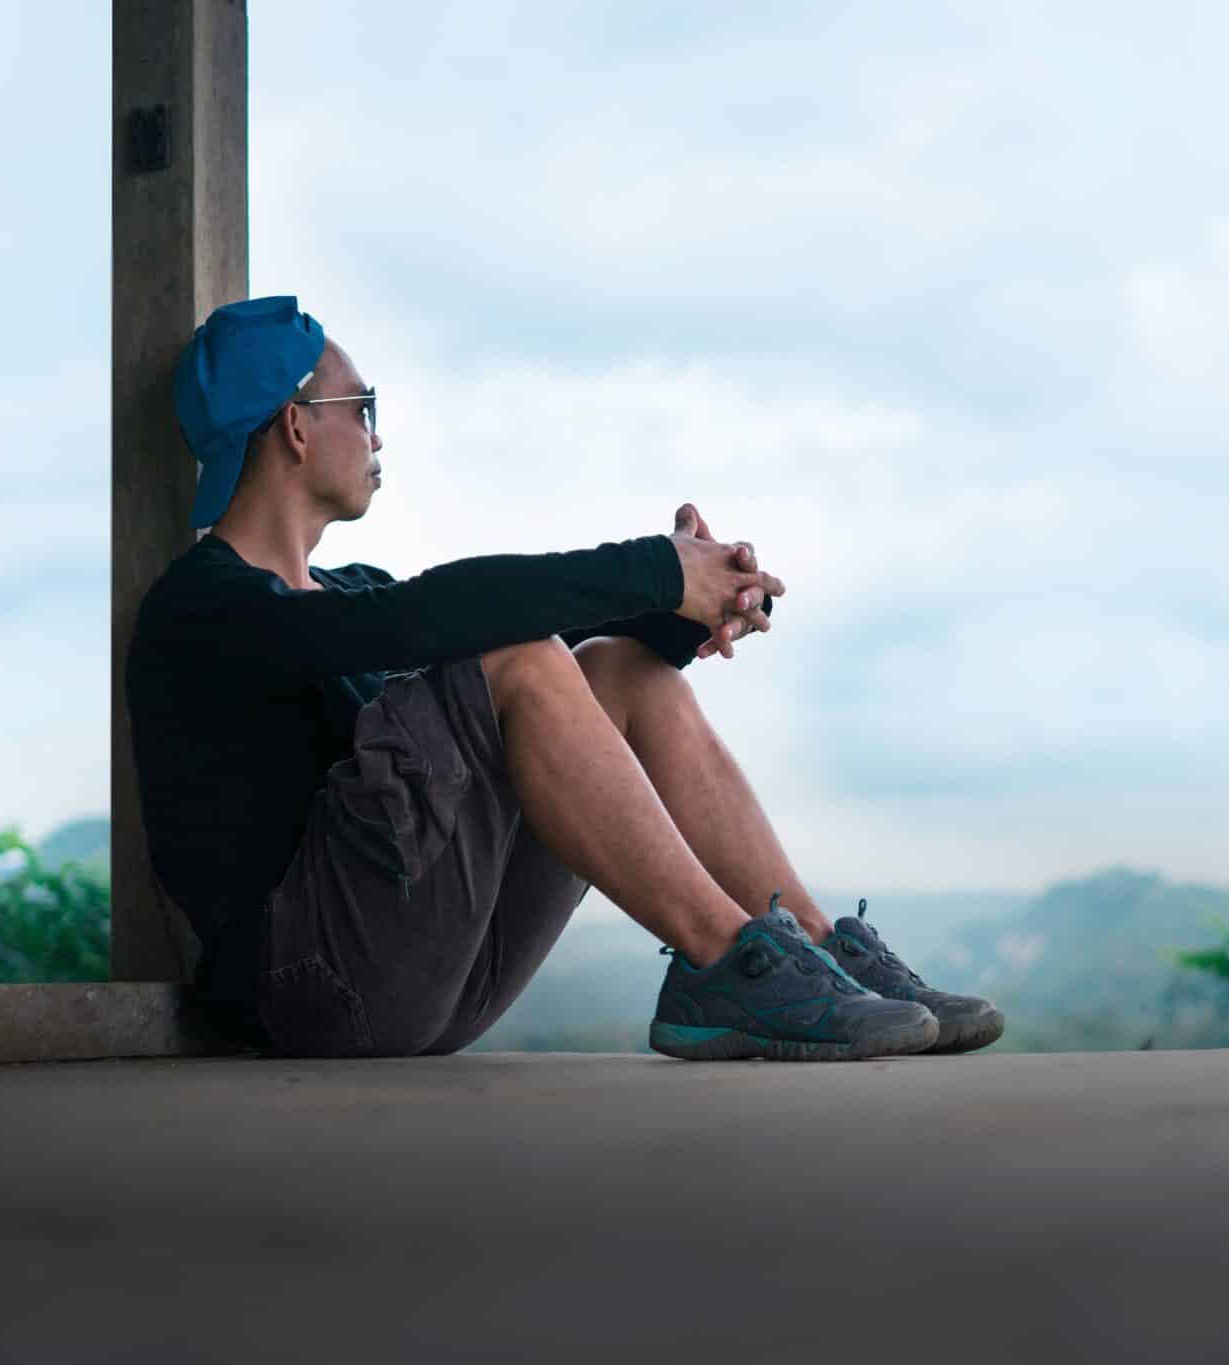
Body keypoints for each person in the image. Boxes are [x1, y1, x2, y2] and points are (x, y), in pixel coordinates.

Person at [125, 296, 1004, 1062]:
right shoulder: (203, 609)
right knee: (513, 648)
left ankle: (814, 947)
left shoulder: (352, 595)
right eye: (364, 406)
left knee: (617, 667)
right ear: (294, 424)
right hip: (307, 985)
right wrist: (655, 570)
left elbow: (452, 633)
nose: (378, 434)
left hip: (427, 976)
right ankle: (723, 958)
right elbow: (441, 626)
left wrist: (683, 607)